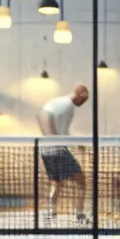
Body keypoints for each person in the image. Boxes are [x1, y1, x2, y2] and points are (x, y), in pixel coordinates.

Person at [38, 84, 90, 219]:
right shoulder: (67, 107)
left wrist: (75, 143)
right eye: (84, 98)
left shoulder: (60, 103)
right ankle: (79, 213)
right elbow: (62, 132)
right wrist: (76, 144)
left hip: (46, 149)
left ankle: (51, 211)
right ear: (78, 93)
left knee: (56, 182)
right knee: (81, 180)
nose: (84, 102)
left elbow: (61, 130)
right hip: (57, 149)